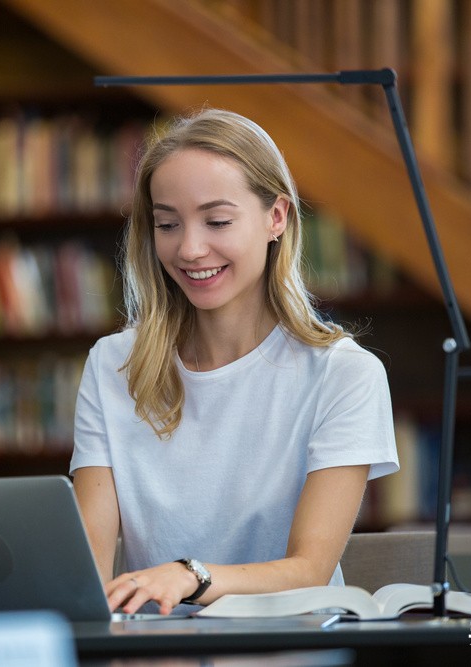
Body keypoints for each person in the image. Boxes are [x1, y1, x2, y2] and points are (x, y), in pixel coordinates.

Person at [70, 108, 399, 616]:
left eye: (217, 220)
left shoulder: (344, 375)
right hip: (157, 655)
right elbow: (84, 569)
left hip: (287, 653)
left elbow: (308, 570)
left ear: (277, 218)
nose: (190, 248)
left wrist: (189, 576)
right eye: (167, 224)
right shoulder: (113, 364)